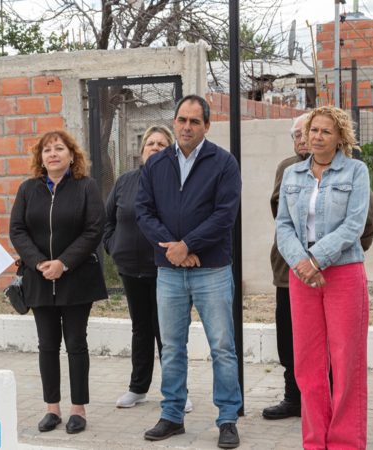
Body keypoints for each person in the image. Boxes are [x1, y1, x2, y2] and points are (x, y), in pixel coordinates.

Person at [136, 95, 242, 448]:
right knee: (171, 346)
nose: (186, 127)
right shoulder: (157, 164)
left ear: (207, 126)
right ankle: (172, 415)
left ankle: (227, 418)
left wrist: (190, 246)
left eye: (194, 121)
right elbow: (144, 212)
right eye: (181, 120)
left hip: (211, 270)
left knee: (223, 347)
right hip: (169, 272)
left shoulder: (223, 163)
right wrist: (175, 249)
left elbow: (225, 215)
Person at [263, 114, 373, 420]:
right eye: (312, 130)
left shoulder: (356, 171)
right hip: (301, 274)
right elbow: (283, 224)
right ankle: (314, 438)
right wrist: (301, 262)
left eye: (325, 131)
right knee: (307, 360)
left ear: (340, 137)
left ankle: (344, 440)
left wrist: (317, 259)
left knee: (345, 361)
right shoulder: (291, 173)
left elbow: (356, 223)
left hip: (342, 271)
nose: (316, 136)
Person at [9, 130, 108, 435]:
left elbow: (94, 230)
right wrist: (39, 262)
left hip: (76, 280)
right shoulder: (28, 190)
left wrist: (63, 263)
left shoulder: (86, 187)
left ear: (71, 154)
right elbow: (17, 230)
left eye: (59, 149)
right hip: (38, 280)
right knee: (47, 345)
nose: (52, 154)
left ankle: (78, 409)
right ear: (40, 158)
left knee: (76, 345)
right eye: (47, 150)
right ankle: (52, 408)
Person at [104, 125, 192, 413]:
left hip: (165, 270)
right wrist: (113, 246)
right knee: (141, 329)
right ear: (141, 151)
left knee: (169, 333)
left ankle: (178, 392)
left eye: (162, 144)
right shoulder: (125, 182)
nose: (155, 147)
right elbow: (108, 221)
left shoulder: (178, 182)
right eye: (150, 143)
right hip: (131, 268)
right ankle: (138, 388)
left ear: (171, 151)